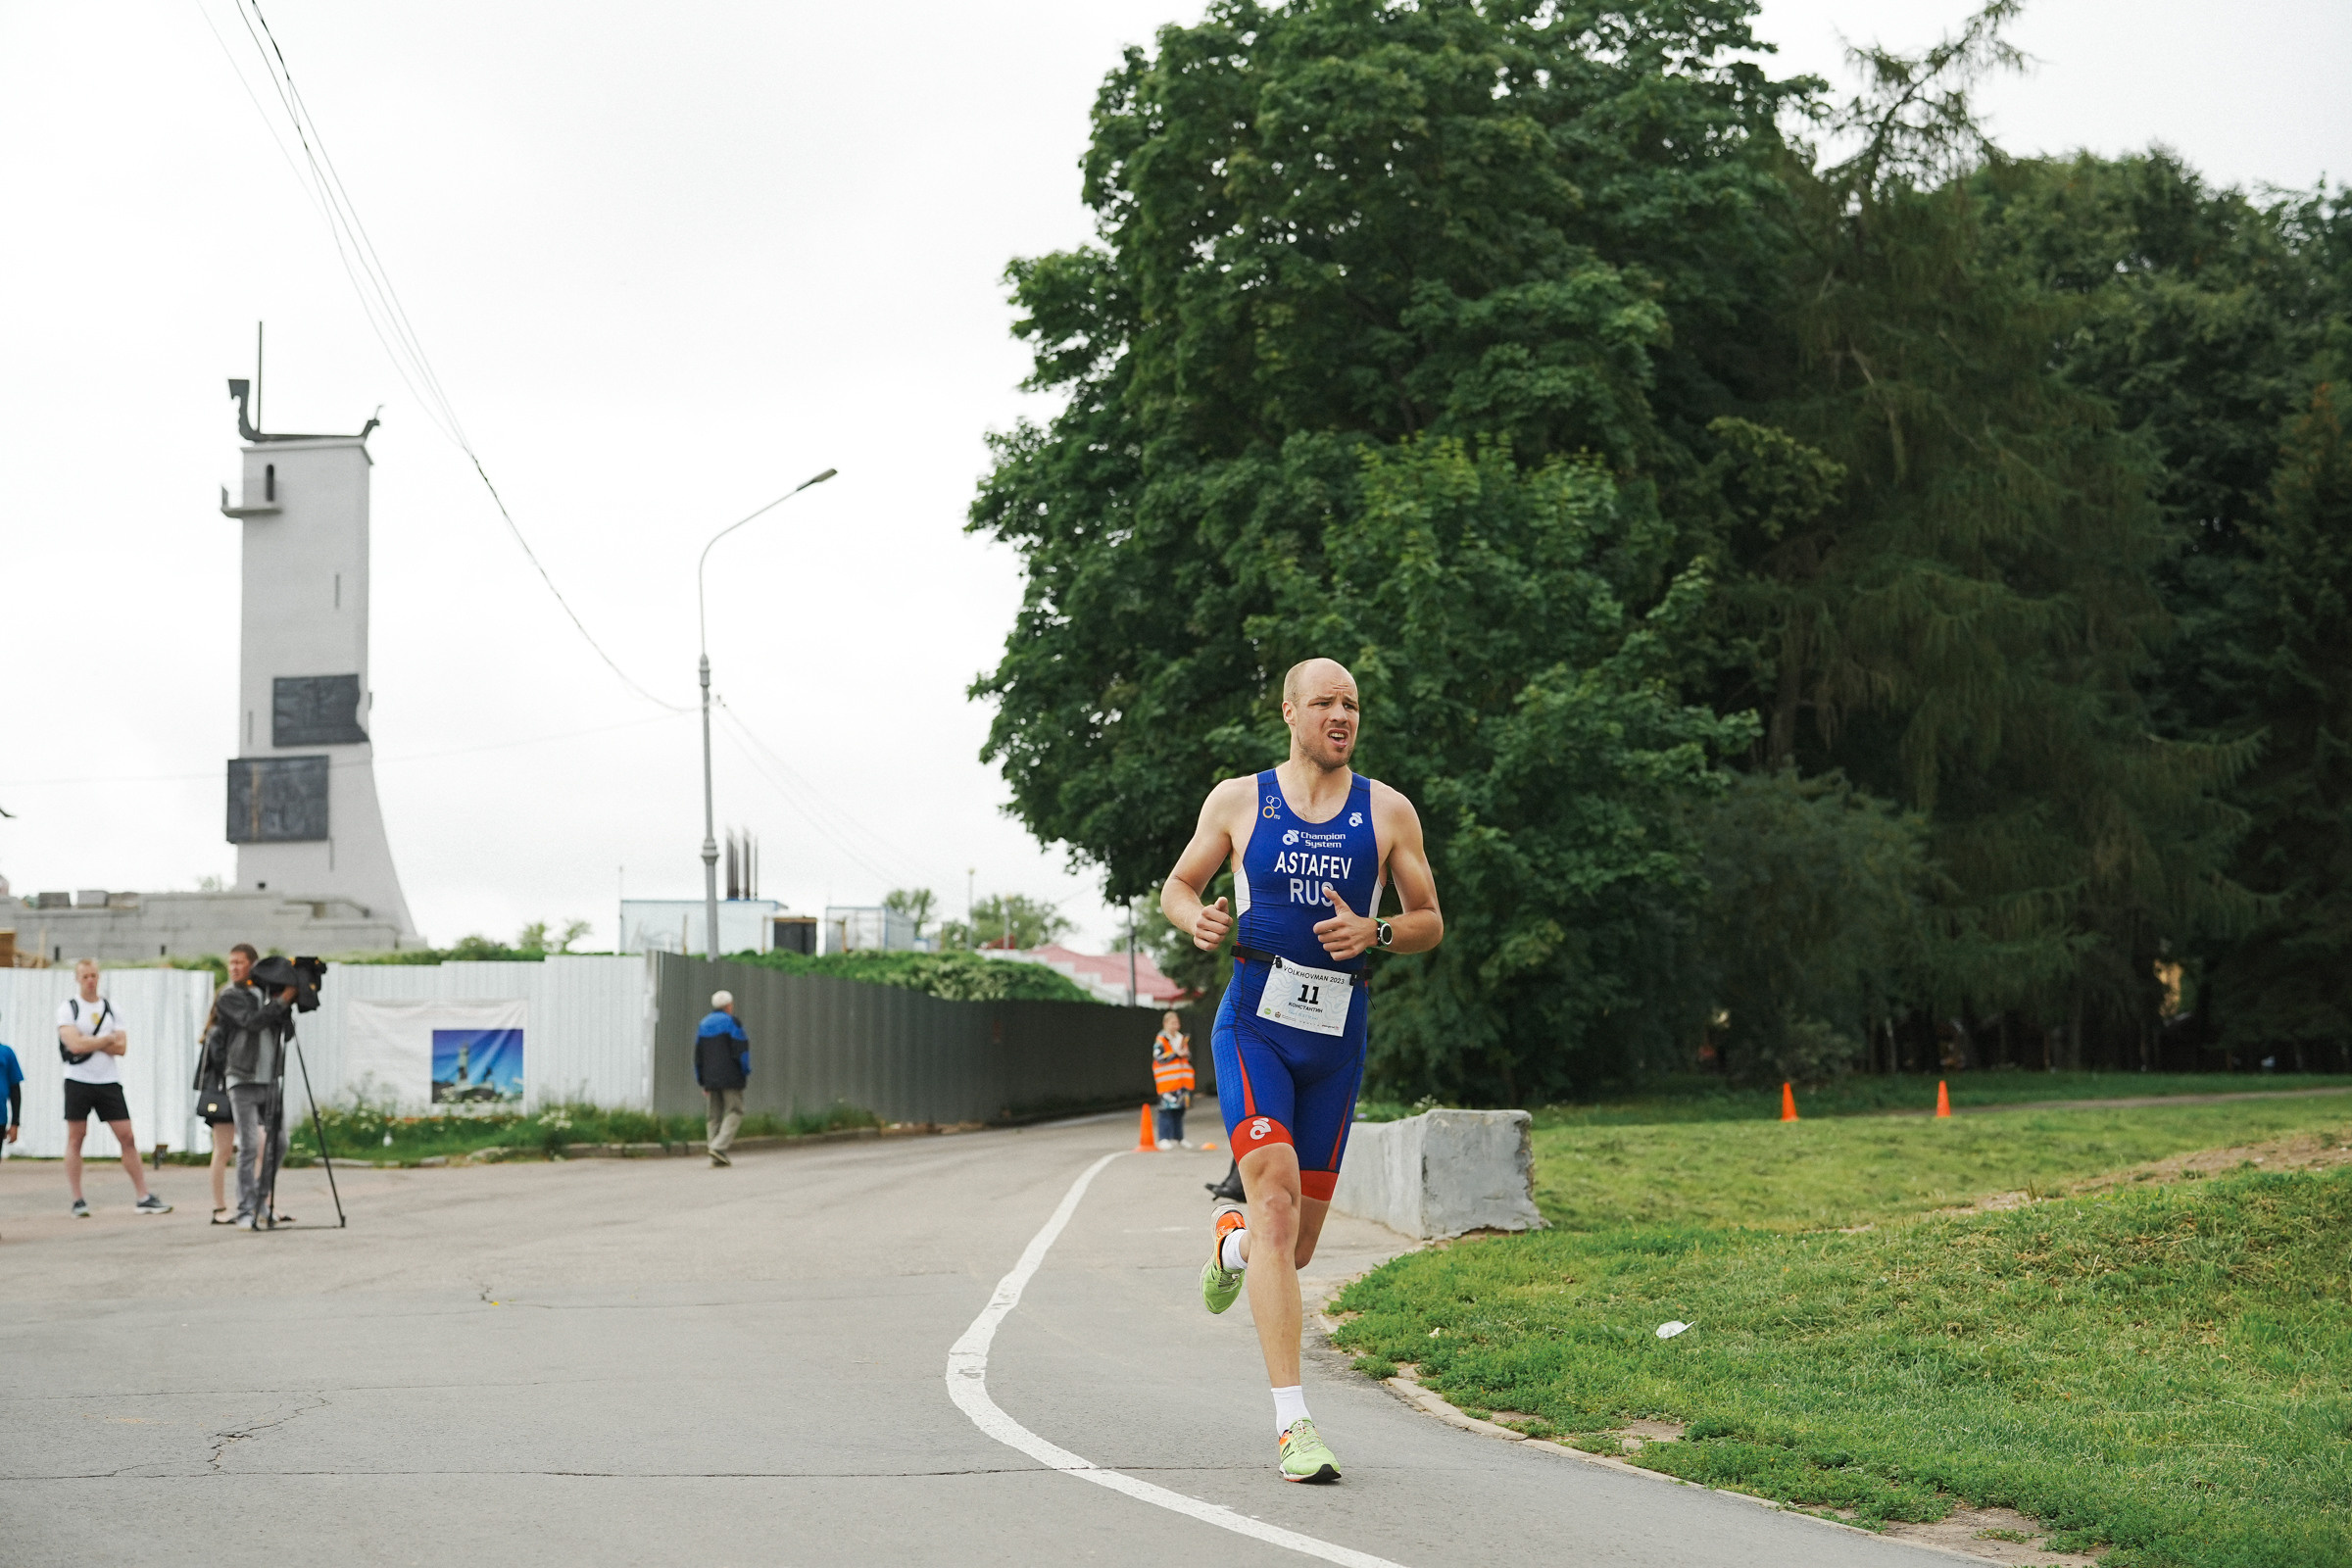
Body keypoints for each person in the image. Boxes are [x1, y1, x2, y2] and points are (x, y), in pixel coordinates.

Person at [1160, 657, 1444, 1484]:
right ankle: (1294, 1425)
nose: (1341, 715)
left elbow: (1428, 918)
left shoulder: (1387, 811)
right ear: (1289, 711)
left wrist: (1378, 933)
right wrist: (1198, 919)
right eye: (1324, 702)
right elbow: (1179, 886)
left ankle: (1232, 1246)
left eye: (1351, 703)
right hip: (1255, 1025)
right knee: (1276, 1199)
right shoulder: (1239, 800)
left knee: (1297, 1243)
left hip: (1338, 1036)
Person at [58, 958, 172, 1216]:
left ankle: (143, 1195)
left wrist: (91, 1040)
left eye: (94, 975)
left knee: (127, 1136)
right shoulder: (69, 1008)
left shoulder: (111, 1008)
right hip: (78, 1080)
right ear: (78, 978)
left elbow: (121, 1047)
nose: (90, 980)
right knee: (77, 1137)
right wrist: (105, 1039)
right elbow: (73, 1045)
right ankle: (78, 1200)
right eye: (85, 976)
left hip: (108, 1081)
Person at [212, 944, 296, 1229]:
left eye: (240, 962)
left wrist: (285, 1003)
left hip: (270, 1078)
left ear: (253, 965)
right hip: (242, 1077)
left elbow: (288, 1032)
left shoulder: (268, 994)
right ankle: (245, 1209)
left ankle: (261, 1199)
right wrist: (281, 1001)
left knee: (280, 1142)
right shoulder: (229, 996)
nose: (234, 967)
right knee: (248, 1145)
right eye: (231, 962)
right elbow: (252, 1022)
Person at [192, 986, 240, 1224]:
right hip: (222, 1097)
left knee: (230, 1149)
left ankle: (232, 1204)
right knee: (223, 1150)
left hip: (226, 1096)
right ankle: (219, 1207)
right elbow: (223, 1064)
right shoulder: (219, 1032)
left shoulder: (218, 1030)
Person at [695, 990, 751, 1167]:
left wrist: (701, 1079)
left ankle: (715, 1155)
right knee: (735, 1111)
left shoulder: (703, 1024)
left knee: (714, 1116)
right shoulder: (732, 1022)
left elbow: (698, 1055)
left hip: (710, 1078)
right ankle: (718, 1147)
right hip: (731, 1076)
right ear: (728, 1006)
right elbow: (742, 1050)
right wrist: (745, 1071)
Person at [1151, 1010, 1195, 1149]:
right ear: (1165, 1024)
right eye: (1172, 1023)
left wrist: (1186, 1054)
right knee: (1166, 1110)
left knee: (1179, 1110)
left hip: (1181, 1081)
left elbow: (1187, 1056)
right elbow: (1159, 1057)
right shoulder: (1161, 1039)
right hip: (1167, 1082)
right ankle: (1164, 1138)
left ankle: (1179, 1137)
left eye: (1177, 1022)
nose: (1176, 1025)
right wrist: (1176, 1054)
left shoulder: (1181, 1038)